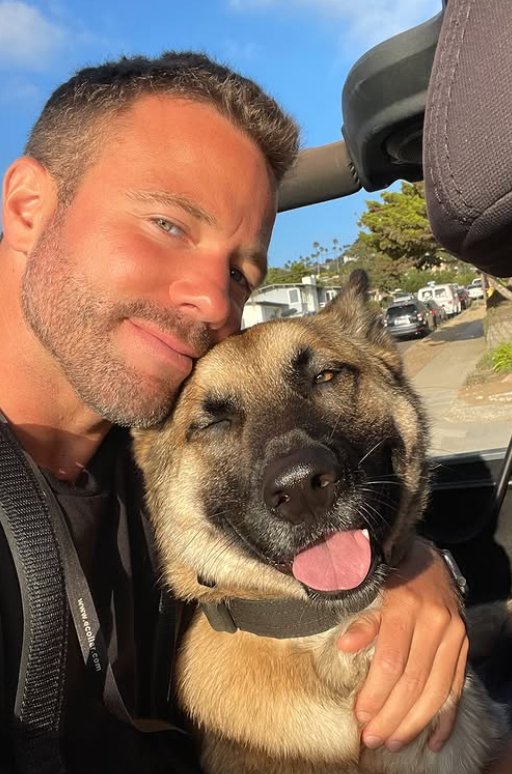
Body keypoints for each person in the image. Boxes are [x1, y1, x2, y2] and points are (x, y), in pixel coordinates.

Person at [0, 50, 466, 773]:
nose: (215, 302)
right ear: (29, 206)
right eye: (169, 225)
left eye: (241, 272)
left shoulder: (145, 437)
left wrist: (416, 565)